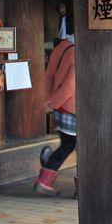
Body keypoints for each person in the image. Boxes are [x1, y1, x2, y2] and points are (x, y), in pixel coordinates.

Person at [35, 27, 77, 196]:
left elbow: (48, 76)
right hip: (71, 107)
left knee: (67, 145)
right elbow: (70, 85)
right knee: (82, 149)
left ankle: (44, 181)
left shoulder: (61, 46)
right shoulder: (76, 51)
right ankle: (81, 190)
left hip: (60, 107)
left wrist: (49, 101)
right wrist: (54, 102)